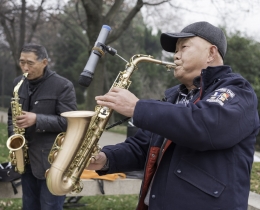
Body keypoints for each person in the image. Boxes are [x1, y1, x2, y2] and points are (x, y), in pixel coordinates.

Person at [87, 21, 260, 210]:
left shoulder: (237, 90)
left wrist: (138, 107)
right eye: (175, 50)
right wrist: (105, 159)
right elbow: (142, 146)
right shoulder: (175, 98)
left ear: (211, 53)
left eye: (183, 47)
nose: (176, 55)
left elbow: (205, 125)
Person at [7, 43, 77, 210]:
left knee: (50, 207)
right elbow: (11, 116)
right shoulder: (18, 83)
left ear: (44, 62)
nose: (24, 67)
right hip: (26, 161)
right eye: (21, 62)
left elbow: (70, 122)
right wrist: (15, 138)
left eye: (30, 63)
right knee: (29, 206)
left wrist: (37, 119)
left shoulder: (63, 86)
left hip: (52, 162)